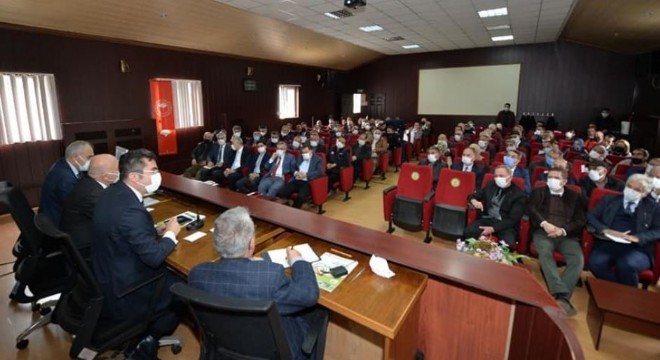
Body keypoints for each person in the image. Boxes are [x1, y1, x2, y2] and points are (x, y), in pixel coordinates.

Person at [188, 207, 321, 359]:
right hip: (278, 352)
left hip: (225, 347)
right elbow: (309, 295)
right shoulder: (271, 276)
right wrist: (298, 260)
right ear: (252, 243)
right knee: (316, 314)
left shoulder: (196, 275)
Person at [92, 149, 182, 358]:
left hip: (107, 272)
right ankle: (148, 338)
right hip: (127, 288)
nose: (157, 175)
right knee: (183, 283)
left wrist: (151, 231)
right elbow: (154, 257)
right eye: (153, 171)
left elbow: (123, 230)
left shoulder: (113, 192)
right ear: (134, 176)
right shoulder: (131, 210)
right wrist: (170, 234)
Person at [527, 167, 586, 317]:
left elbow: (580, 220)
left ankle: (561, 297)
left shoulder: (575, 196)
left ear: (564, 181)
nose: (552, 180)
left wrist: (562, 230)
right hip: (543, 232)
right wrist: (545, 224)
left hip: (566, 235)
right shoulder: (538, 192)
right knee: (545, 253)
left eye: (556, 177)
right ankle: (561, 295)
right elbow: (532, 210)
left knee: (577, 260)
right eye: (550, 177)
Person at [587, 174, 660, 286]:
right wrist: (605, 230)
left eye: (637, 189)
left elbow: (658, 230)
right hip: (609, 243)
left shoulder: (653, 207)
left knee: (626, 264)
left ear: (645, 194)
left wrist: (637, 237)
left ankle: (627, 297)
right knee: (595, 263)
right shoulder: (609, 200)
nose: (631, 191)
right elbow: (591, 216)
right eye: (629, 187)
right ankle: (623, 290)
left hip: (638, 249)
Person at [60, 154, 118, 258]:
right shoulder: (93, 194)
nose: (119, 172)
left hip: (81, 235)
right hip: (86, 247)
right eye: (117, 169)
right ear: (106, 176)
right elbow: (114, 222)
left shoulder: (88, 181)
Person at [465, 166, 526, 248]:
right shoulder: (491, 185)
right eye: (496, 176)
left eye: (501, 176)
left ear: (510, 177)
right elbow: (472, 196)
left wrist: (493, 228)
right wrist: (474, 201)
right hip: (487, 219)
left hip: (505, 224)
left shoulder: (519, 195)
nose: (498, 178)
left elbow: (513, 219)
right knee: (469, 231)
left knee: (508, 244)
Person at [39, 140, 94, 226]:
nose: (91, 160)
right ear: (75, 157)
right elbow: (78, 207)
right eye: (89, 157)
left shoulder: (63, 164)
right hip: (59, 222)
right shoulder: (65, 178)